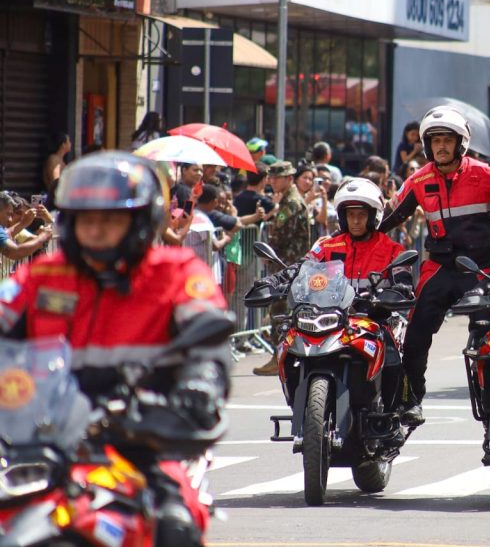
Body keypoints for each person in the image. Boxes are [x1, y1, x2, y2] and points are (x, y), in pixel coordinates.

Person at [0, 152, 231, 547]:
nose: (97, 230)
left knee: (175, 524)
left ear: (140, 221)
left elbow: (207, 343)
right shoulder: (42, 276)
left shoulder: (176, 272)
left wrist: (200, 385)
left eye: (111, 219)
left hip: (145, 435)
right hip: (42, 438)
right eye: (87, 219)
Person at [378, 106, 490, 425]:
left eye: (448, 140)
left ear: (462, 143)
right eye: (435, 140)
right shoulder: (419, 179)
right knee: (414, 334)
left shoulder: (484, 174)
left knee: (489, 339)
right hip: (440, 267)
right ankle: (411, 400)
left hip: (483, 270)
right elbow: (387, 219)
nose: (441, 146)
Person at [255, 178, 414, 415]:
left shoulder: (392, 249)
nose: (356, 220)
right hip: (328, 316)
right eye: (350, 215)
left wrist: (399, 289)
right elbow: (300, 268)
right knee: (289, 343)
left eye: (361, 214)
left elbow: (403, 278)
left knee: (392, 349)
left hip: (371, 317)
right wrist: (273, 281)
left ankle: (402, 406)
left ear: (374, 216)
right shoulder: (327, 246)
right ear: (342, 217)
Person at [253, 161, 312, 375]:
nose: (272, 181)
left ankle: (279, 358)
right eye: (271, 177)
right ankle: (281, 357)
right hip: (288, 265)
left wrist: (269, 253)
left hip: (287, 267)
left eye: (277, 178)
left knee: (279, 312)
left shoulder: (292, 203)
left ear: (288, 178)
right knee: (282, 311)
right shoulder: (289, 201)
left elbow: (279, 236)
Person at [0, 191, 53, 261]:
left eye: (26, 215)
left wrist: (48, 222)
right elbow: (16, 252)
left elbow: (39, 244)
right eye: (8, 214)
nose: (10, 219)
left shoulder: (18, 232)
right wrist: (43, 236)